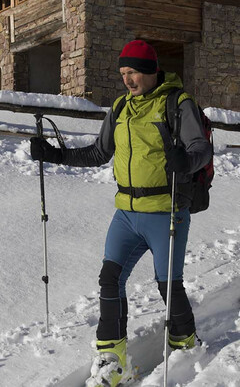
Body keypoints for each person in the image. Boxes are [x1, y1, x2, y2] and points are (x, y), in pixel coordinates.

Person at [29, 40, 211, 386]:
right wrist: (54, 155)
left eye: (134, 72)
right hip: (126, 212)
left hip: (165, 210)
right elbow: (99, 153)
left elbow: (200, 147)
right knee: (109, 279)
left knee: (168, 285)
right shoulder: (120, 107)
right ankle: (112, 357)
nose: (128, 79)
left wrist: (186, 161)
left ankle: (185, 343)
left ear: (152, 70)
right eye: (124, 73)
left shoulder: (177, 103)